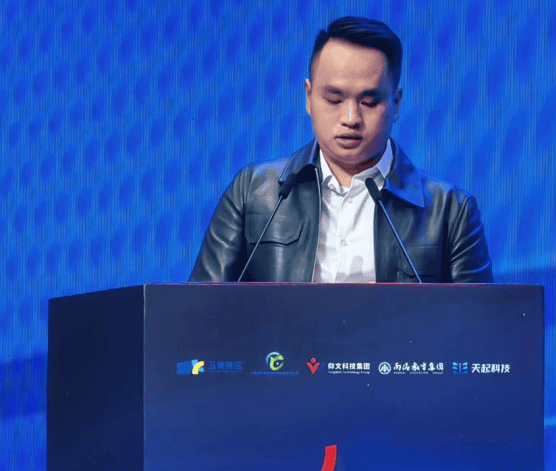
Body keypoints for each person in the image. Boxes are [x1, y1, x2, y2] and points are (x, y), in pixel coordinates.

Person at [189, 16, 493, 284]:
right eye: (334, 99)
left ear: (396, 103)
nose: (350, 118)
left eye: (369, 102)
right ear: (309, 97)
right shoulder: (253, 192)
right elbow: (201, 312)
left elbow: (477, 326)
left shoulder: (450, 213)